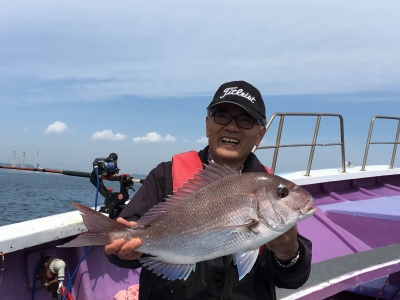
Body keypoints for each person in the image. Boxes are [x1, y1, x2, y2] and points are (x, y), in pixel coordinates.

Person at [106, 80, 312, 300]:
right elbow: (120, 244)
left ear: (259, 135)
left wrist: (289, 252)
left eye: (245, 120)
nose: (232, 127)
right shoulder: (164, 176)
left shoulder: (266, 186)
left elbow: (292, 280)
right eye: (222, 116)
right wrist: (122, 249)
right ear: (207, 125)